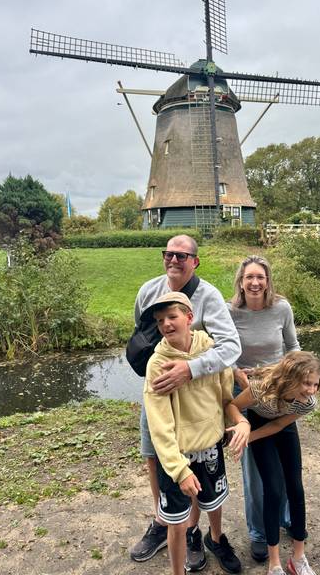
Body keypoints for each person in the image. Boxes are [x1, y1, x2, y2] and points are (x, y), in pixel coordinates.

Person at [129, 234, 241, 571]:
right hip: (160, 387)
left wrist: (190, 370)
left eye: (182, 255)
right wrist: (155, 367)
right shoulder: (149, 290)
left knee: (196, 458)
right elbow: (141, 330)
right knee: (154, 453)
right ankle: (163, 521)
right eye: (169, 254)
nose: (174, 260)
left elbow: (231, 346)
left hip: (197, 396)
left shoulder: (208, 297)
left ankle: (192, 531)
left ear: (195, 261)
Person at [143, 291, 245, 575]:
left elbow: (226, 400)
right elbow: (159, 425)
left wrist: (240, 422)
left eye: (172, 317)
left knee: (214, 502)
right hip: (178, 456)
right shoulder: (157, 364)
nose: (166, 324)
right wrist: (178, 469)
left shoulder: (212, 351)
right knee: (176, 520)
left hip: (210, 447)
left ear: (189, 318)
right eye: (160, 320)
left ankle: (215, 539)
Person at [227, 255, 300, 562]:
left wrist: (291, 374)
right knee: (254, 468)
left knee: (284, 460)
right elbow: (222, 349)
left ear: (268, 281)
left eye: (261, 277)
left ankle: (283, 515)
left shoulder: (282, 308)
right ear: (240, 282)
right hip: (243, 391)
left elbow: (293, 347)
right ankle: (257, 532)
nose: (255, 283)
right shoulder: (229, 311)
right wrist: (235, 371)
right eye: (249, 278)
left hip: (277, 390)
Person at [227, 351, 320, 575]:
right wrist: (244, 427)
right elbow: (231, 405)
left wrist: (249, 439)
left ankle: (298, 559)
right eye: (306, 383)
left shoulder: (307, 403)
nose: (311, 390)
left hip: (281, 428)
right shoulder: (262, 388)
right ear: (291, 378)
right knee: (273, 490)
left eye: (315, 385)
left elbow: (278, 426)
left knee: (296, 489)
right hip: (258, 423)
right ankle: (275, 564)